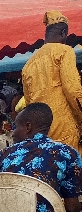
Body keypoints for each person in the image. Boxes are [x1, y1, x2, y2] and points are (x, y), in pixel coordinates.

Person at [22, 10, 82, 152]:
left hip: (41, 134)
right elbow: (73, 91)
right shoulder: (64, 51)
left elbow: (29, 104)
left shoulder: (28, 65)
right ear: (63, 33)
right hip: (64, 130)